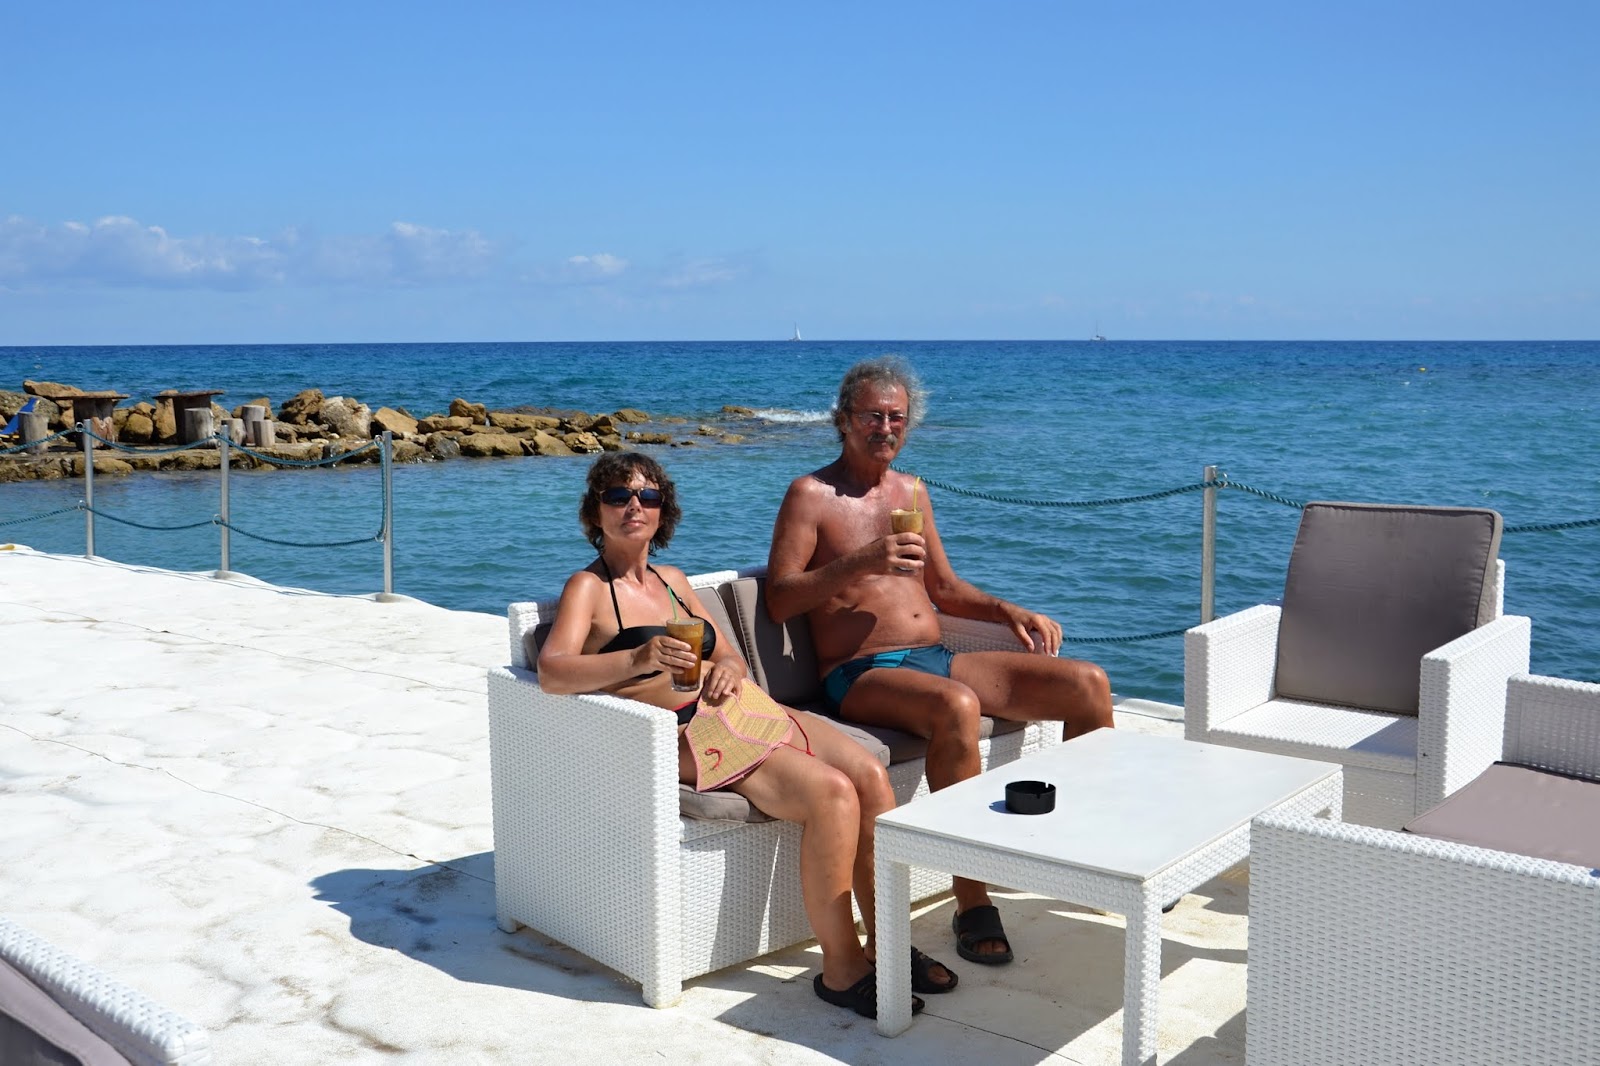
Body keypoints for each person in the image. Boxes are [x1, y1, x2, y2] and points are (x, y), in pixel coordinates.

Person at [537, 451, 956, 1017]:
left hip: (737, 706)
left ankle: (887, 943)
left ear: (662, 512)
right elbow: (552, 672)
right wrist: (637, 658)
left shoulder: (673, 581)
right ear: (596, 512)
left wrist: (730, 671)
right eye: (618, 496)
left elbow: (728, 654)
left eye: (647, 496)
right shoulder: (587, 588)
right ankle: (842, 968)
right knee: (832, 794)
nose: (634, 506)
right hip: (679, 730)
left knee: (868, 774)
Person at [766, 356, 1115, 966]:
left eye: (896, 417)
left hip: (936, 656)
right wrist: (862, 562)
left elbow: (944, 589)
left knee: (1087, 684)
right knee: (957, 705)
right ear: (843, 419)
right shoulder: (810, 495)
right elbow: (779, 599)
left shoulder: (912, 491)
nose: (885, 427)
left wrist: (1007, 610)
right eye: (872, 415)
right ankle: (971, 897)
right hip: (860, 673)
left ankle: (1092, 855)